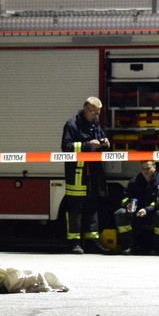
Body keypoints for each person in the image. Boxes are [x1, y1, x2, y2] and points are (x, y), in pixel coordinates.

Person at [61, 97, 110, 254]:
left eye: (97, 113)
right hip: (77, 174)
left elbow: (102, 140)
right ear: (85, 108)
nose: (95, 116)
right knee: (75, 209)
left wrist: (104, 143)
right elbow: (66, 147)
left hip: (93, 173)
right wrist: (87, 145)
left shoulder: (94, 124)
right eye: (94, 112)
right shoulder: (72, 125)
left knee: (92, 207)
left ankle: (92, 242)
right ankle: (74, 243)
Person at [114, 160, 159, 254]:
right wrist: (128, 205)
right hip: (136, 212)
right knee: (120, 213)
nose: (145, 171)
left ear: (154, 167)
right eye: (143, 169)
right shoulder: (134, 181)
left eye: (148, 168)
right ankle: (128, 247)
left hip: (154, 213)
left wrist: (147, 209)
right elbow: (124, 197)